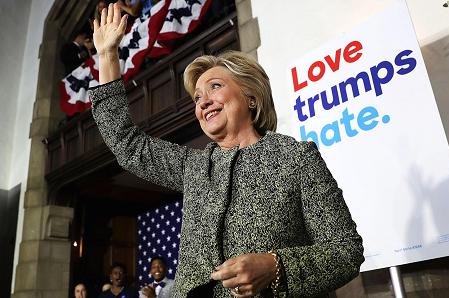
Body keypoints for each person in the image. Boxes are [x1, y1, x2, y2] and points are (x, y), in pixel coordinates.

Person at [90, 4, 364, 297]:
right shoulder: (193, 166)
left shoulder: (294, 158)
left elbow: (345, 250)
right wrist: (107, 56)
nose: (203, 102)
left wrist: (274, 266)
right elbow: (127, 144)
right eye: (197, 98)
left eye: (215, 87)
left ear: (250, 96)